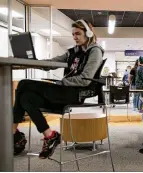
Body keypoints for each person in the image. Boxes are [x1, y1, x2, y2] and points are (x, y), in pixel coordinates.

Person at [13, 19, 104, 158]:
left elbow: (85, 79)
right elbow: (52, 63)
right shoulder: (72, 52)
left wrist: (61, 83)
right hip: (63, 91)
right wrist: (32, 63)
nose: (75, 37)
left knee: (23, 83)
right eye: (73, 34)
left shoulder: (95, 51)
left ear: (89, 33)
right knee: (26, 97)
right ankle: (50, 135)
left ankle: (13, 135)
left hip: (74, 94)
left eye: (78, 34)